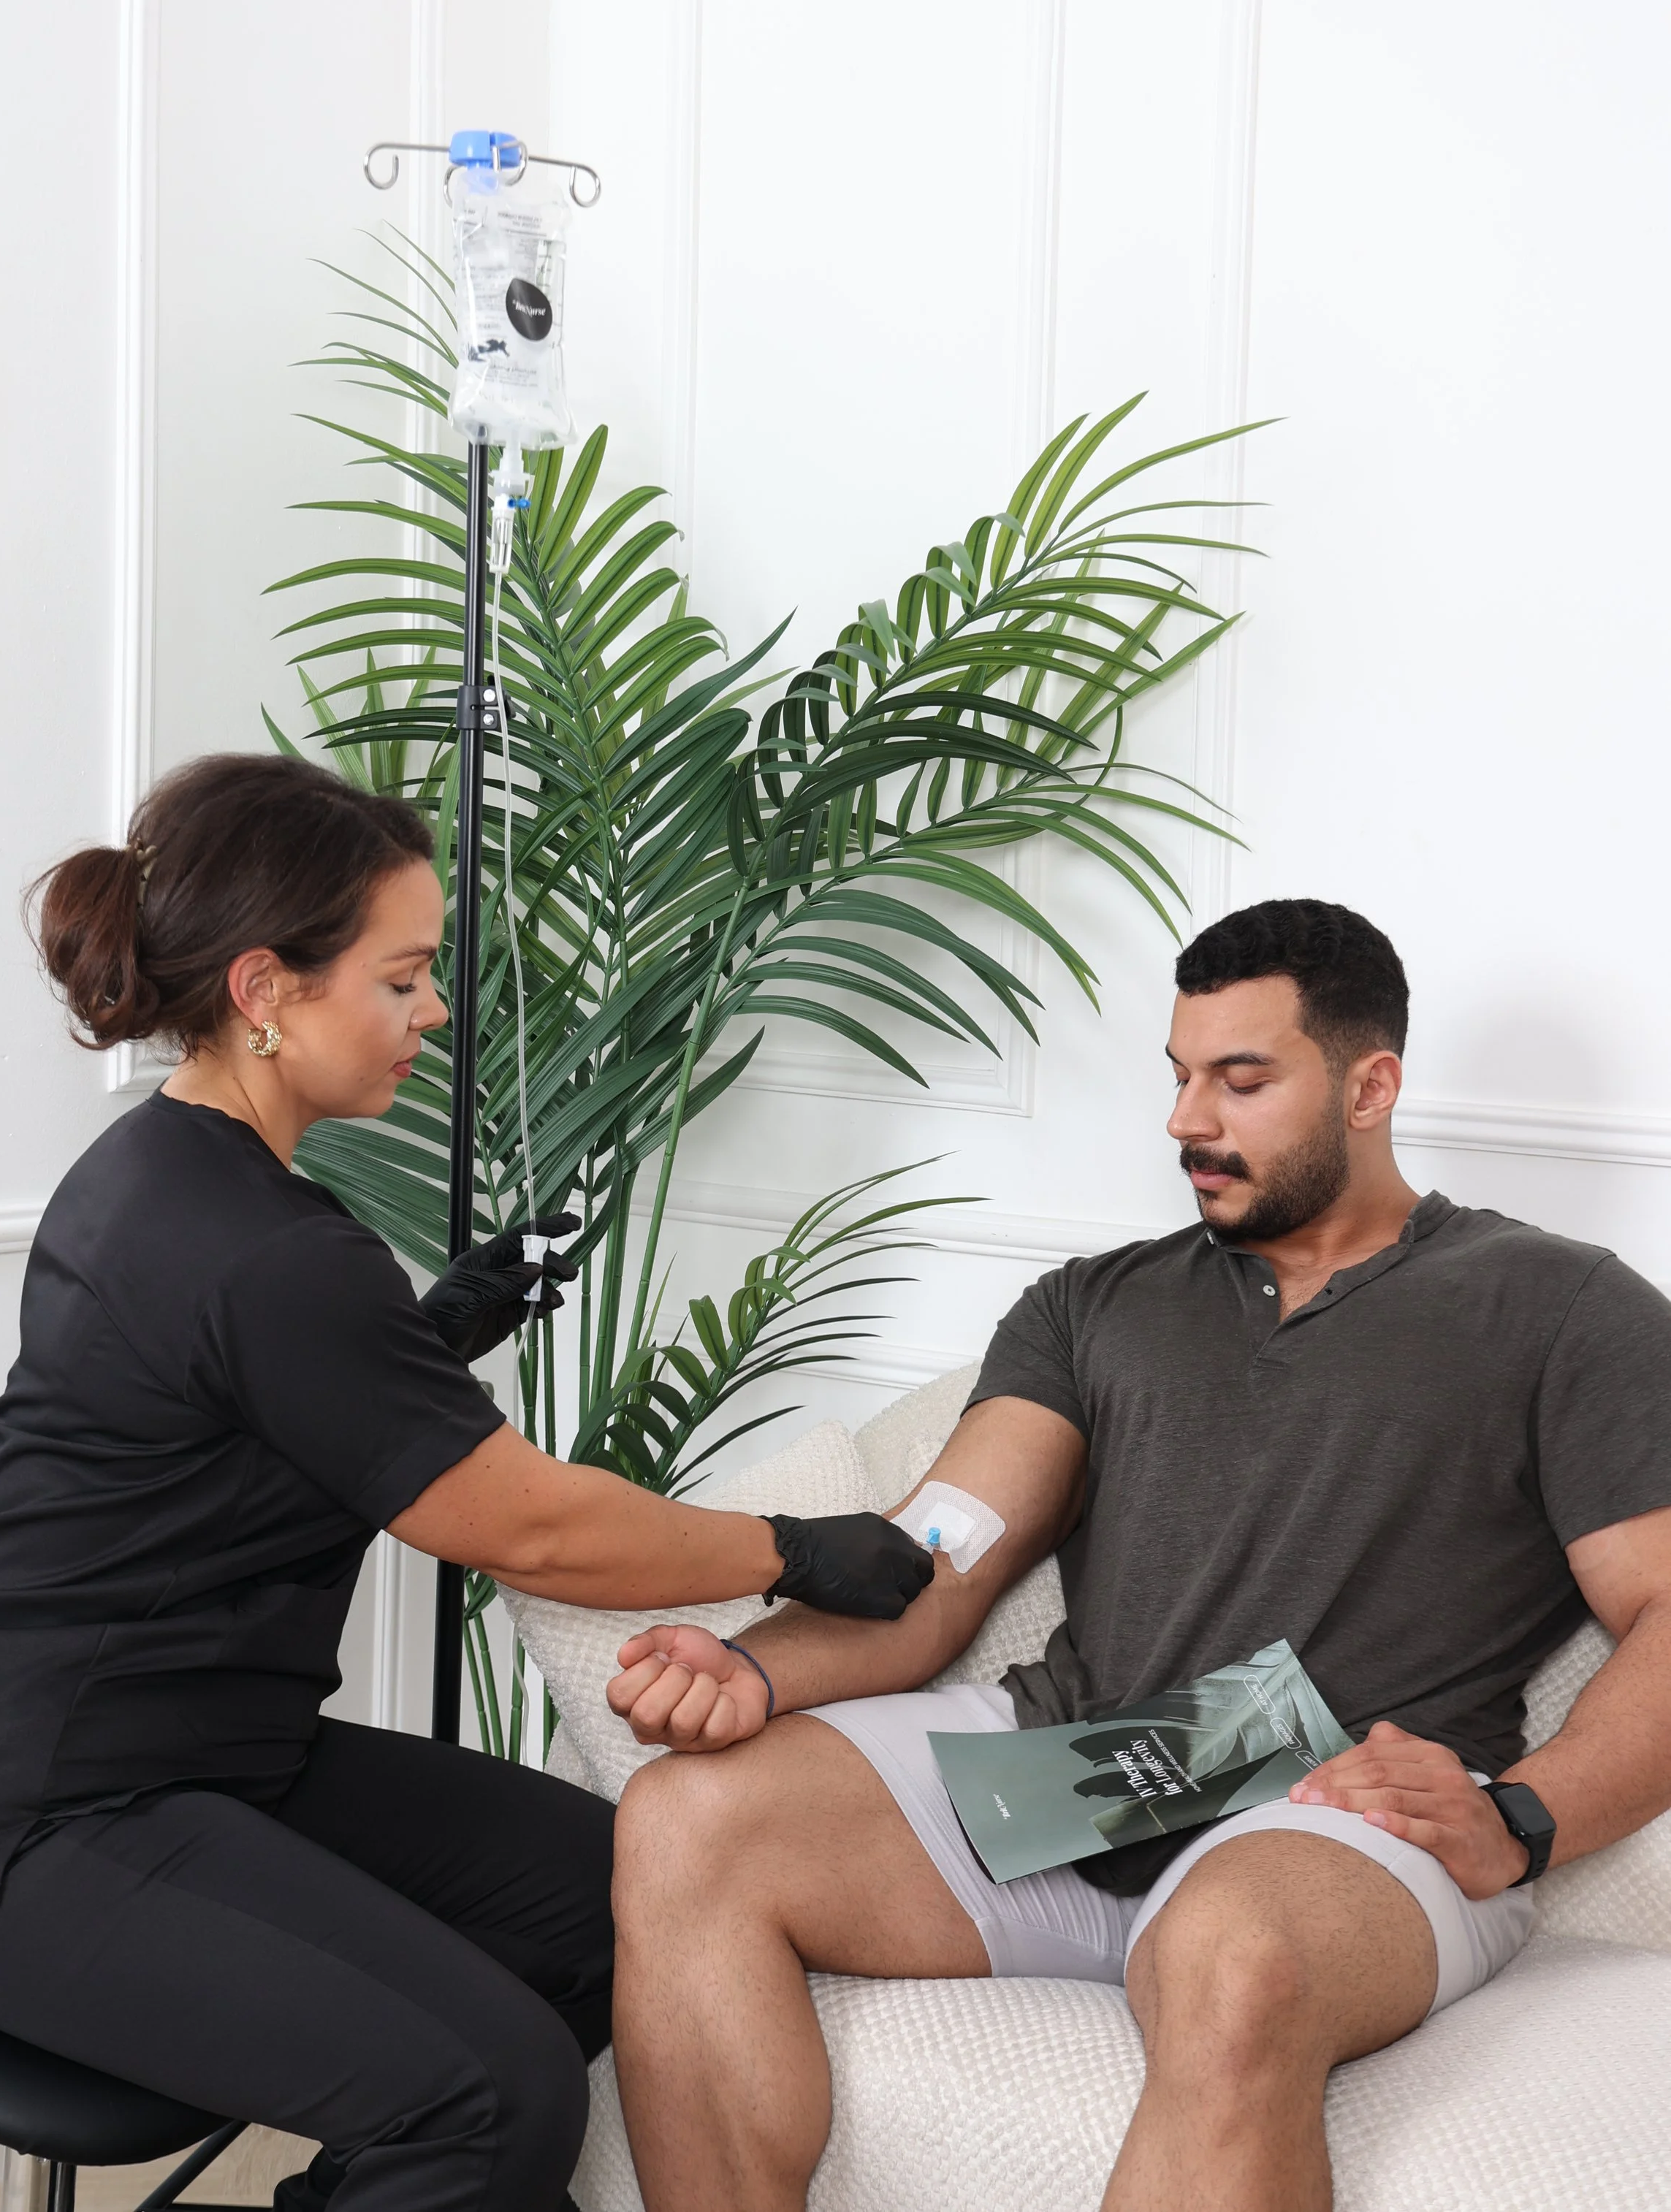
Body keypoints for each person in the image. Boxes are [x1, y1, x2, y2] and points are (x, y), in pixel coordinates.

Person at [0, 753, 932, 2212]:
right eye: (403, 978)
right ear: (265, 991)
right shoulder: (270, 1248)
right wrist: (791, 1549)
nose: (435, 1013)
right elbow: (529, 1527)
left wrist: (432, 1332)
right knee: (493, 2098)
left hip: (200, 1757)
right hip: (23, 1826)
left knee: (628, 1897)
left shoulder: (160, 1169)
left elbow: (234, 1424)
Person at [604, 899, 1671, 2212]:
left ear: (1370, 1087)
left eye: (1241, 1081)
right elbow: (940, 1560)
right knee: (686, 1820)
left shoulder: (1561, 1309)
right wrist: (758, 1673)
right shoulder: (1092, 1306)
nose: (1186, 1121)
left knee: (1235, 1957)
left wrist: (1522, 1818)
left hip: (1332, 1818)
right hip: (1079, 1768)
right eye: (1179, 1077)